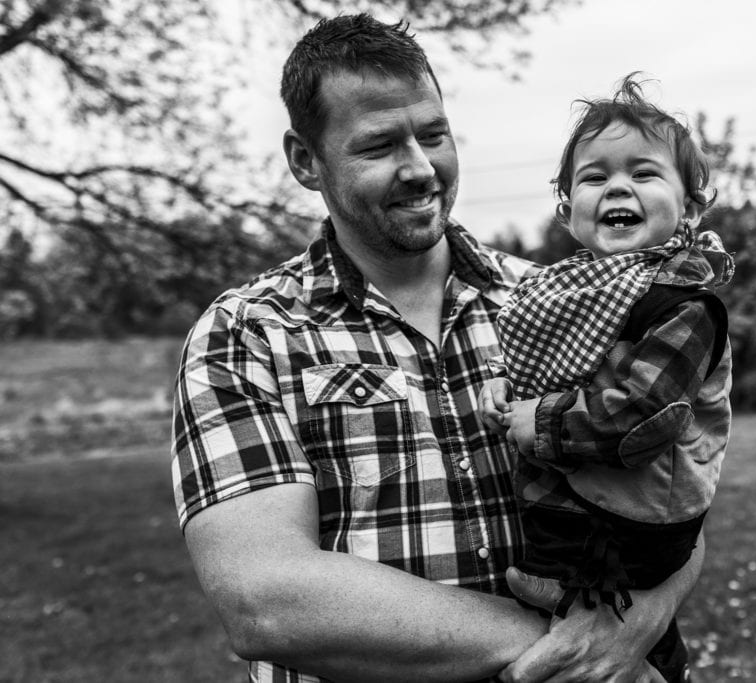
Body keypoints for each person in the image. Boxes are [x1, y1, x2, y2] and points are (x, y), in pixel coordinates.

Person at [171, 14, 705, 683]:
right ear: (306, 160)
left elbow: (675, 490)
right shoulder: (247, 332)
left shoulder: (558, 299)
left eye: (433, 135)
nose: (421, 168)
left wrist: (638, 621)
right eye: (379, 146)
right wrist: (569, 646)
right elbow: (266, 600)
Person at [479, 74, 734, 682]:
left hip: (630, 526)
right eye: (594, 177)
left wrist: (540, 423)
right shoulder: (570, 289)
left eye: (644, 173)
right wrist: (505, 387)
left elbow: (643, 416)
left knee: (627, 646)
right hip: (581, 514)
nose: (618, 186)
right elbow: (540, 363)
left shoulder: (682, 305)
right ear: (568, 212)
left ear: (689, 209)